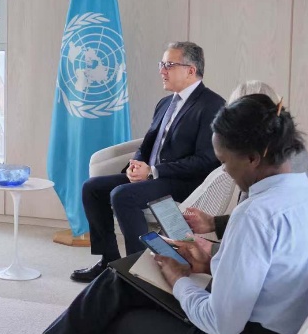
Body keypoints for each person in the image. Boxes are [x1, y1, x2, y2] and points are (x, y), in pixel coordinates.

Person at [0, 94, 308, 334]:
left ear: (253, 157)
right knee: (120, 282)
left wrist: (180, 279)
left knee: (105, 318)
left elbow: (222, 324)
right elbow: (276, 274)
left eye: (226, 162)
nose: (226, 172)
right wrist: (209, 262)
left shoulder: (256, 215)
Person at [71, 41, 224, 283]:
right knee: (92, 188)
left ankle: (139, 273)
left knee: (123, 195)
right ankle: (108, 261)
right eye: (161, 64)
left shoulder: (212, 105)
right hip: (152, 177)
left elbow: (205, 160)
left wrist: (153, 171)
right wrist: (136, 164)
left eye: (169, 65)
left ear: (190, 70)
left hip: (182, 181)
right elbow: (148, 144)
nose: (162, 70)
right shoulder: (165, 103)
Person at [182, 80, 308, 240]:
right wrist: (214, 224)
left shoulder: (264, 178)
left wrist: (210, 250)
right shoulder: (289, 154)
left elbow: (258, 223)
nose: (224, 169)